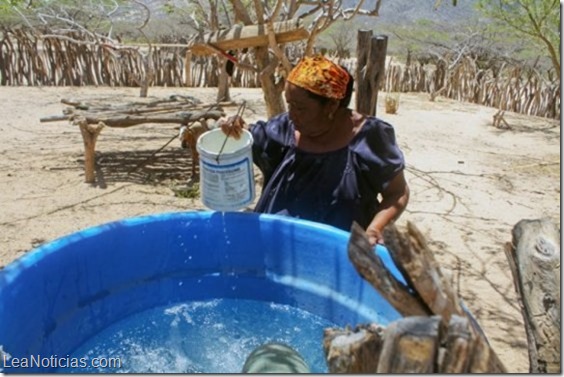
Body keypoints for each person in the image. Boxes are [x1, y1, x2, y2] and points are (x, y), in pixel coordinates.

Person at [218, 55, 409, 245]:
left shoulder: (369, 137)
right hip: (276, 247)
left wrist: (376, 228)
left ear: (331, 105)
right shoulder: (283, 130)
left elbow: (398, 192)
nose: (291, 115)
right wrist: (232, 127)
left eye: (300, 108)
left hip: (339, 252)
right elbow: (245, 135)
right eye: (289, 104)